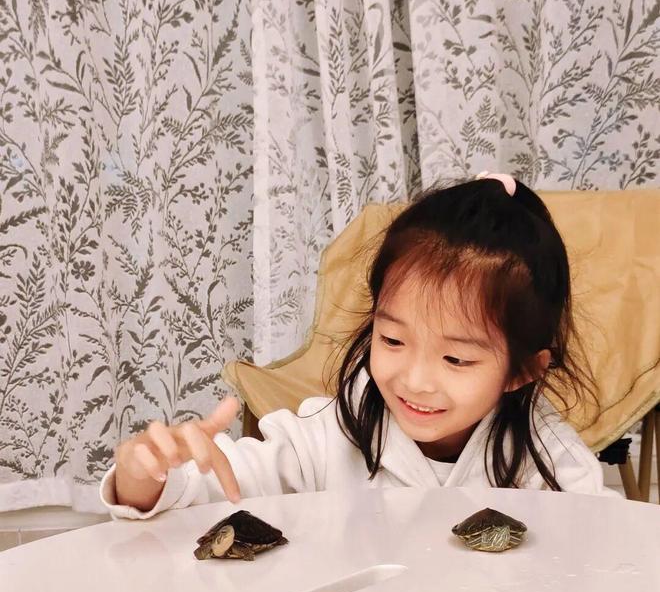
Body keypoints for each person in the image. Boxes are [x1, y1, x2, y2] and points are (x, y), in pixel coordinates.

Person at [100, 173, 617, 520]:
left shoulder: (554, 467)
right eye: (392, 339)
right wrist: (145, 476)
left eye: (456, 358)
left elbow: (591, 573)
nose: (415, 379)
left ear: (522, 370)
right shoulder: (329, 434)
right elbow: (219, 487)